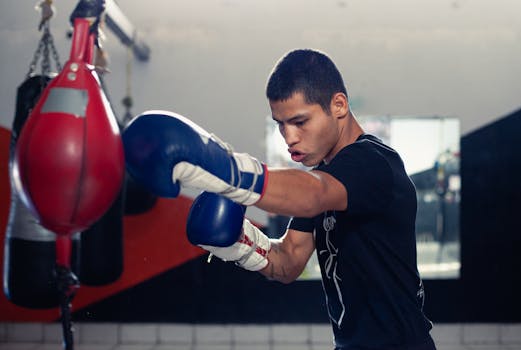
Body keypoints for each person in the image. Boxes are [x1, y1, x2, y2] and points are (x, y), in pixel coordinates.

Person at [122, 48, 436, 350]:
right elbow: (288, 261)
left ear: (338, 105)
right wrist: (240, 244)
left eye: (300, 122)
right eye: (280, 125)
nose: (289, 138)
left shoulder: (372, 163)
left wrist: (228, 170)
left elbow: (314, 194)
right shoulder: (325, 173)